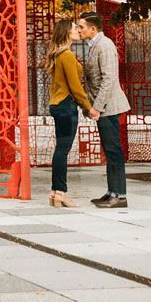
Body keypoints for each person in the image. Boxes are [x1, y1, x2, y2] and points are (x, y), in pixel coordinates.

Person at [77, 11, 131, 209]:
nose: (78, 30)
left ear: (93, 28)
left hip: (108, 106)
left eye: (81, 26)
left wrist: (97, 108)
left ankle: (121, 196)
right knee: (109, 150)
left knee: (113, 150)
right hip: (103, 106)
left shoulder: (105, 45)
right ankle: (112, 192)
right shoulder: (94, 45)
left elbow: (109, 79)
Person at [44, 19, 99, 208]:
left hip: (58, 104)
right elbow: (75, 87)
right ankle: (61, 192)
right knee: (62, 150)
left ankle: (55, 193)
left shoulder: (57, 54)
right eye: (75, 28)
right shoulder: (66, 55)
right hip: (66, 105)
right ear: (67, 32)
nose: (77, 30)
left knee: (60, 149)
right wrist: (88, 107)